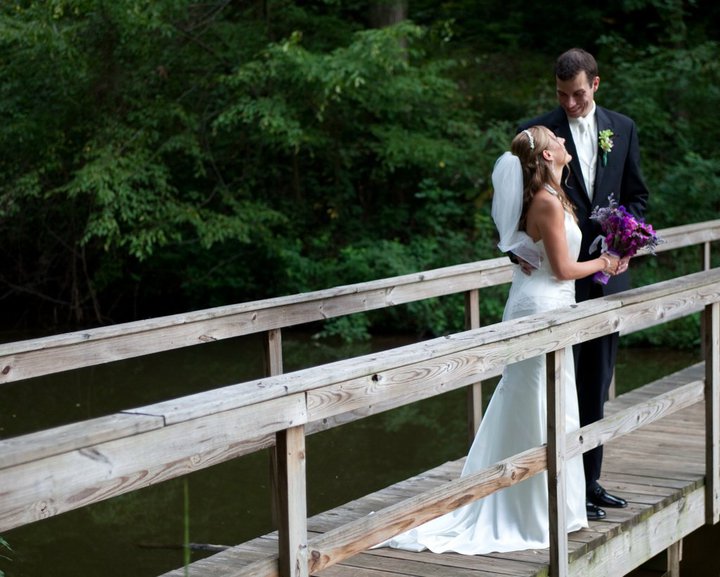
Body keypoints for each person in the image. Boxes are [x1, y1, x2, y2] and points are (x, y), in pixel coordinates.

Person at [376, 126, 623, 555]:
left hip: (554, 305)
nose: (565, 143)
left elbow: (539, 253)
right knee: (533, 403)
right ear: (546, 156)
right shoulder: (546, 202)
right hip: (542, 306)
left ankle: (555, 508)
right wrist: (602, 261)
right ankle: (524, 509)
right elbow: (563, 269)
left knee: (553, 402)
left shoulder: (554, 195)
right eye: (557, 142)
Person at [518, 48, 650, 520]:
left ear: (596, 85)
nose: (570, 104)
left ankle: (588, 484)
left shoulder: (624, 128)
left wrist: (625, 243)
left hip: (608, 279)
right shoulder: (537, 133)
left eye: (577, 94)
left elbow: (638, 197)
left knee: (596, 383)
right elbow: (513, 206)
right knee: (557, 387)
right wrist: (514, 246)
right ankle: (557, 484)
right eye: (561, 95)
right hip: (558, 282)